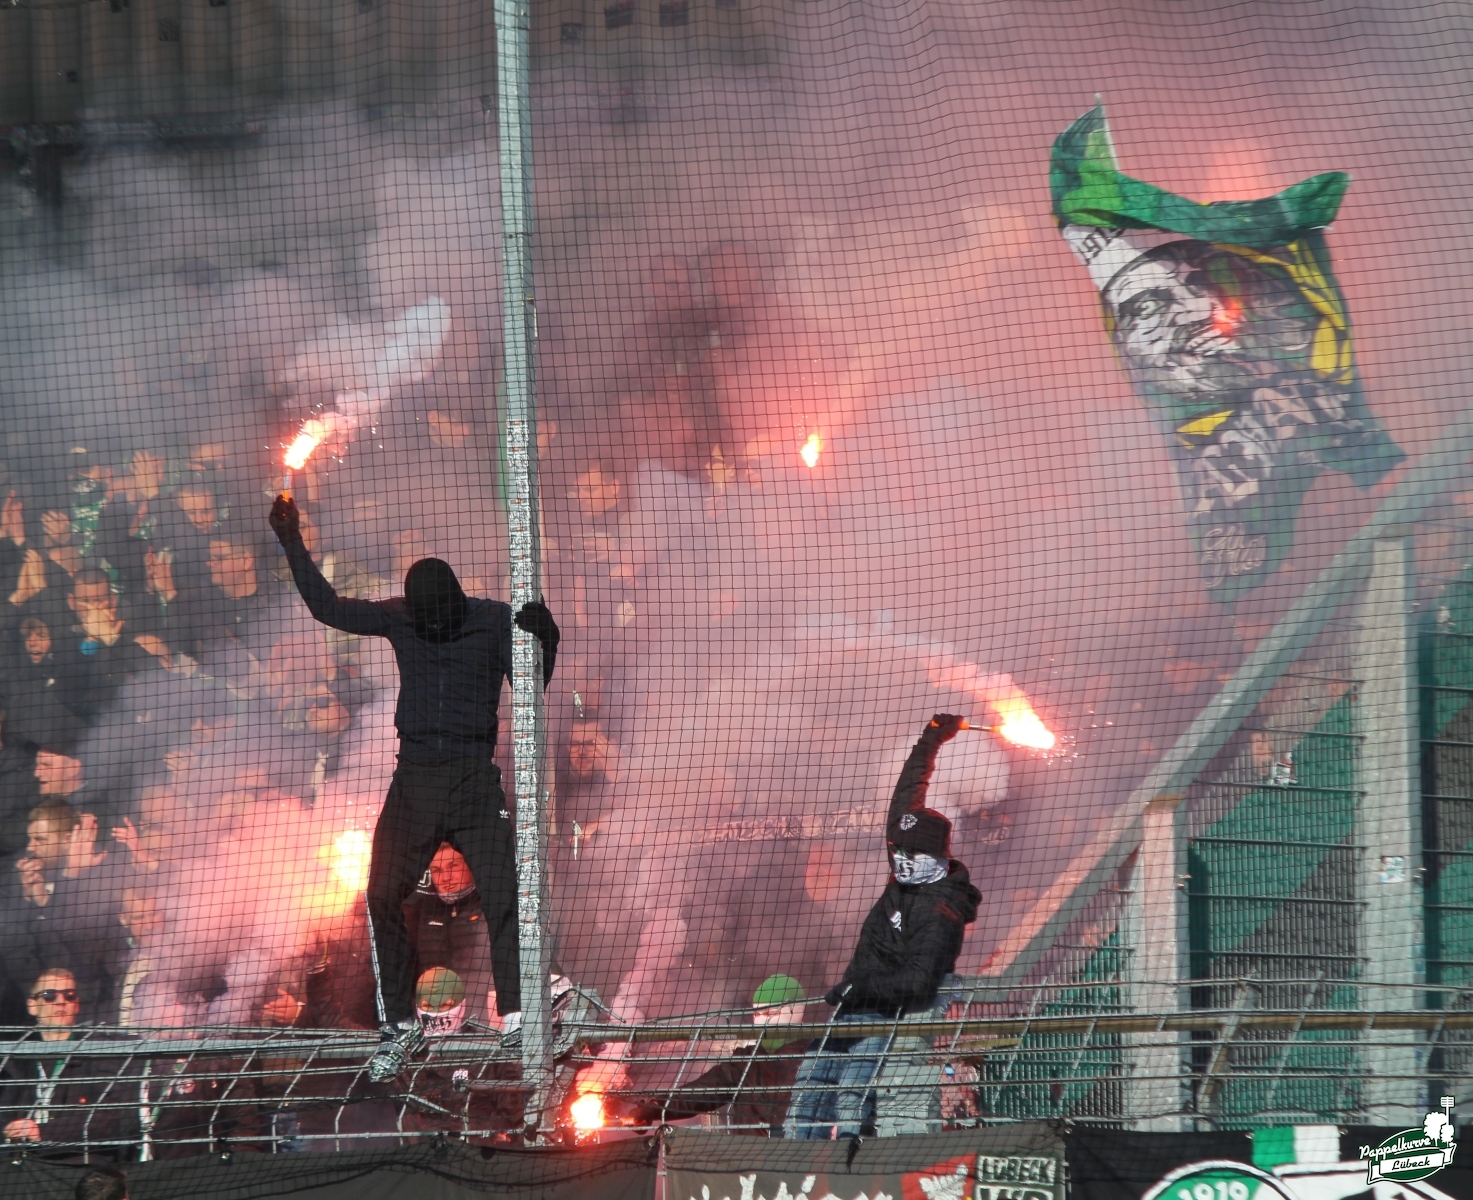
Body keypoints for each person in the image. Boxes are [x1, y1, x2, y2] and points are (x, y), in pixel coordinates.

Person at [269, 494, 560, 1081]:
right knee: (381, 893)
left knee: (506, 897)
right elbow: (327, 608)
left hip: (475, 780)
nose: (430, 628)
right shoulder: (400, 615)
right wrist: (290, 540)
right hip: (416, 778)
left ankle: (515, 1017)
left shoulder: (493, 618)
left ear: (456, 603)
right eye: (423, 621)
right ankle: (398, 1025)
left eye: (437, 620)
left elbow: (535, 687)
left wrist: (545, 636)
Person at [783, 714, 980, 1140]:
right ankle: (797, 1170)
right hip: (852, 1007)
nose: (900, 861)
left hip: (885, 1017)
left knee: (853, 1105)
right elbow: (907, 793)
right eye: (897, 851)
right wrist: (933, 737)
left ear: (936, 856)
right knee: (806, 1101)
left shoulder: (940, 910)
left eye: (910, 854)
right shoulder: (907, 868)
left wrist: (858, 987)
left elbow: (918, 980)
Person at [628, 974, 811, 1135]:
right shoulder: (745, 1062)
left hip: (802, 1158)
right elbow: (704, 1090)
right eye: (756, 1013)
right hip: (752, 1162)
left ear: (795, 1010)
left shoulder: (819, 1057)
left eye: (769, 1012)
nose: (761, 1019)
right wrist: (656, 1106)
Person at [0, 968, 136, 1158]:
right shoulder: (15, 1059)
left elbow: (112, 1118)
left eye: (69, 995)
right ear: (32, 1005)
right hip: (25, 1168)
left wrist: (44, 1133)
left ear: (77, 1005)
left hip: (78, 1166)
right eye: (49, 996)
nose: (61, 1001)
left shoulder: (99, 1051)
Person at [404, 843, 495, 1017]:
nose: (446, 877)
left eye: (453, 866)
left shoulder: (491, 906)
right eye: (437, 870)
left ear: (470, 865)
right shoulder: (420, 912)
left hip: (483, 1020)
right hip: (432, 1016)